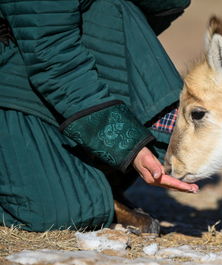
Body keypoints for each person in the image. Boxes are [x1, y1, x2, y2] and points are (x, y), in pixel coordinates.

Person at [0, 0, 198, 234]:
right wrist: (125, 144)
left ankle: (100, 173)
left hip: (39, 54)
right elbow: (52, 57)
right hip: (20, 61)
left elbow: (160, 9)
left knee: (113, 11)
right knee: (61, 211)